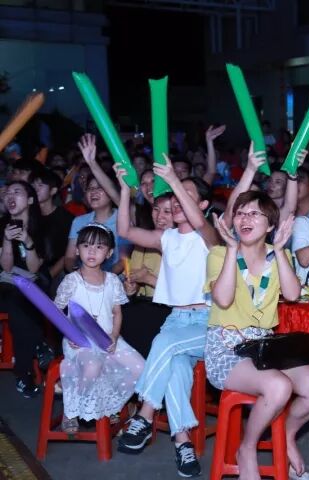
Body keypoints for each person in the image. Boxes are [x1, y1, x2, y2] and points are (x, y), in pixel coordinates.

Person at [206, 190, 309, 479]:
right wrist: (232, 250)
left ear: (270, 224)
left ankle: (285, 435)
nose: (244, 219)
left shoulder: (279, 256)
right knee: (278, 387)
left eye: (254, 213)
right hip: (226, 348)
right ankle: (247, 448)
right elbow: (222, 299)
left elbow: (293, 294)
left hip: (264, 349)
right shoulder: (219, 254)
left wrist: (282, 250)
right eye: (240, 213)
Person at [116, 158, 218, 477]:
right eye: (173, 197)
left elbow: (200, 223)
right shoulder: (167, 238)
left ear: (202, 205)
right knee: (175, 367)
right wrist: (124, 190)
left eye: (184, 196)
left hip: (209, 322)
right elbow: (124, 230)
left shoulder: (209, 236)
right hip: (176, 322)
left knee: (164, 342)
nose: (175, 202)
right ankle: (183, 443)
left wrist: (174, 180)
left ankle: (145, 413)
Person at [53, 224, 144, 433]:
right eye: (86, 246)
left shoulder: (112, 281)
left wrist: (114, 336)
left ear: (109, 253)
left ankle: (110, 404)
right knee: (92, 366)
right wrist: (70, 334)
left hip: (108, 339)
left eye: (99, 247)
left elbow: (117, 312)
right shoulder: (71, 280)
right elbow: (56, 312)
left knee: (140, 368)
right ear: (77, 250)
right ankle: (71, 409)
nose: (92, 251)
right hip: (80, 341)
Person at [0, 180, 54, 397]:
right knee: (17, 303)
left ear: (30, 200)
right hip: (6, 285)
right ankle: (36, 349)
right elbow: (6, 267)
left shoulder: (43, 227)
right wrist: (6, 240)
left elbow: (34, 268)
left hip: (32, 285)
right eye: (7, 193)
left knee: (24, 304)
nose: (10, 196)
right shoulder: (2, 225)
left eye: (17, 192)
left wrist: (28, 241)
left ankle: (24, 373)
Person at [120, 193, 174, 357]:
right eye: (156, 209)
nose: (159, 216)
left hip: (167, 310)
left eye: (167, 211)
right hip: (140, 305)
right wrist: (131, 287)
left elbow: (180, 294)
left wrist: (148, 278)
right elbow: (133, 280)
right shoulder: (143, 241)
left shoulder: (182, 244)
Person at [30, 169, 74, 281]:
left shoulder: (66, 218)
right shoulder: (29, 215)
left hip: (55, 272)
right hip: (31, 268)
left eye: (40, 185)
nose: (35, 189)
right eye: (33, 185)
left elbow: (69, 253)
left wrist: (48, 276)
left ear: (53, 190)